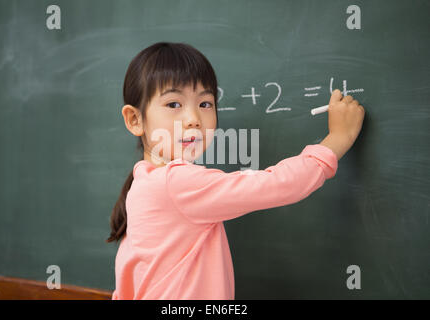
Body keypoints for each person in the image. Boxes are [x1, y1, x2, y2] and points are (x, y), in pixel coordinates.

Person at [107, 42, 365, 299]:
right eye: (174, 104)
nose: (193, 118)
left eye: (205, 103)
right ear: (135, 119)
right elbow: (278, 184)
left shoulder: (143, 184)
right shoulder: (176, 182)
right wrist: (339, 138)